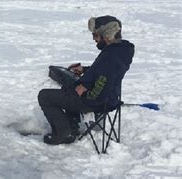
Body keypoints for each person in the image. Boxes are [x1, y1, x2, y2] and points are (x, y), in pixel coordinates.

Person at [38, 15, 134, 145]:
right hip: (111, 98)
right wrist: (84, 70)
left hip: (96, 102)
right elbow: (105, 72)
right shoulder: (120, 50)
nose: (94, 39)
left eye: (95, 36)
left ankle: (62, 132)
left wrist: (84, 93)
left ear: (106, 36)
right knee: (69, 83)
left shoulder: (109, 57)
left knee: (44, 96)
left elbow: (101, 87)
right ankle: (71, 127)